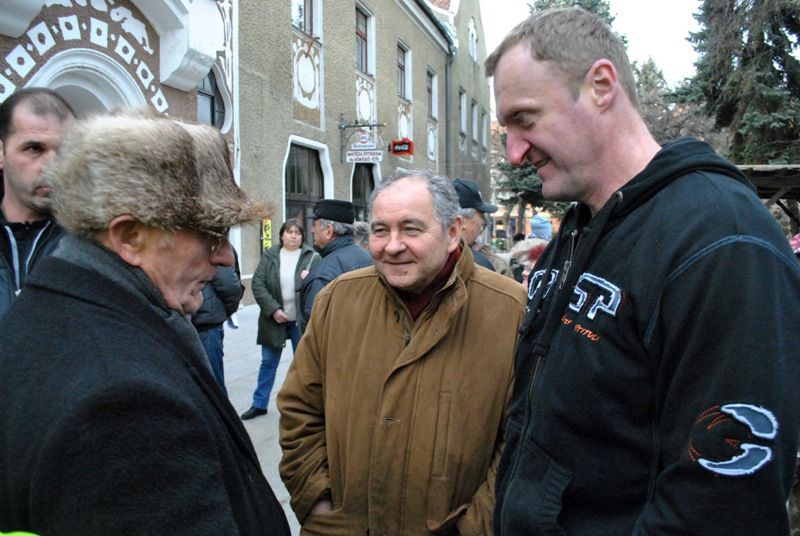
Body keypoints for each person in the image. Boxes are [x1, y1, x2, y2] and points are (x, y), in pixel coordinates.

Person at [486, 7, 800, 534]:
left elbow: (721, 505)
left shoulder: (722, 240)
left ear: (601, 86)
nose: (515, 152)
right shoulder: (582, 226)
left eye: (525, 119)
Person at [0, 110, 291, 535]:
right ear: (130, 237)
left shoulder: (48, 311)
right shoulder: (125, 405)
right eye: (211, 233)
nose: (225, 256)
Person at [278, 170, 527, 535]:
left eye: (411, 229)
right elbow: (299, 410)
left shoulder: (511, 310)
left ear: (453, 232)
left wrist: (473, 529)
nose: (392, 246)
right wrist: (319, 502)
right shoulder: (337, 299)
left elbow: (521, 443)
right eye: (380, 231)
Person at [0, 88, 74, 319]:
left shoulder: (97, 243)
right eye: (34, 148)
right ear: (1, 152)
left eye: (64, 151)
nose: (52, 166)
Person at [242, 218, 319, 420]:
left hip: (299, 321)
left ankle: (304, 405)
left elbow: (320, 285)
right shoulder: (271, 255)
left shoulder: (312, 257)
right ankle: (259, 404)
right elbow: (258, 284)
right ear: (281, 235)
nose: (293, 236)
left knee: (303, 365)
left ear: (302, 237)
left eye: (297, 233)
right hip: (273, 320)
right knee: (268, 362)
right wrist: (274, 310)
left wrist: (309, 278)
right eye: (289, 232)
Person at [298, 199, 371, 330]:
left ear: (329, 231)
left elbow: (314, 330)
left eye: (314, 225)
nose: (312, 230)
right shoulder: (369, 259)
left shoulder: (322, 275)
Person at [191, 250, 244, 394]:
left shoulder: (215, 246)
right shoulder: (213, 244)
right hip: (205, 323)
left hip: (204, 322)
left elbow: (228, 285)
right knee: (212, 383)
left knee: (209, 383)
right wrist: (227, 311)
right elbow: (229, 286)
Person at [452, 177, 498, 271]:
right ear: (461, 221)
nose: (482, 222)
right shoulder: (481, 264)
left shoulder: (432, 254)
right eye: (481, 216)